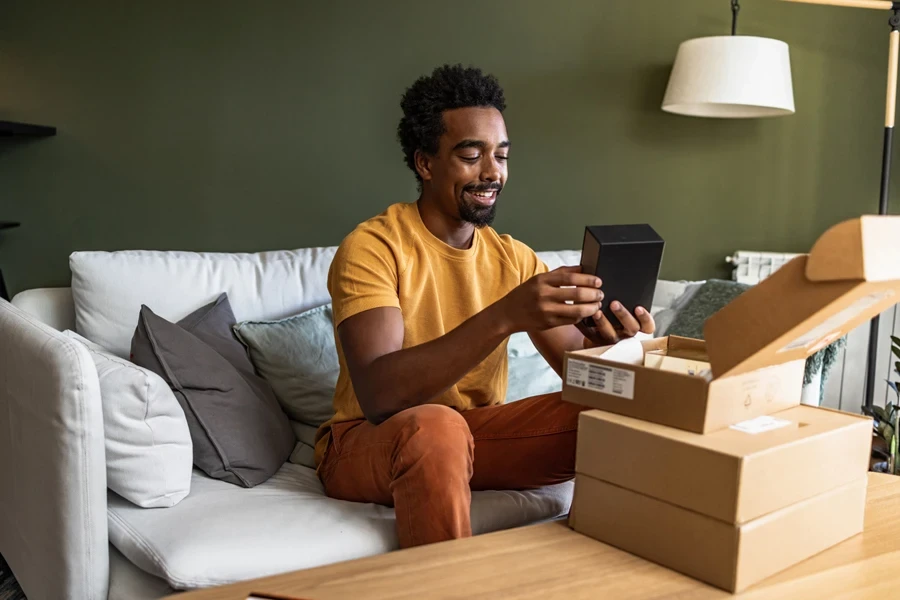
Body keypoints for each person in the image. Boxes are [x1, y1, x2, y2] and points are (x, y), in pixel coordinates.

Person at [313, 64, 655, 549]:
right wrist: (503, 316)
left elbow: (582, 381)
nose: (492, 172)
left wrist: (615, 348)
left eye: (501, 155)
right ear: (425, 164)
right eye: (471, 155)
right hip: (366, 442)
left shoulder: (513, 258)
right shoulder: (374, 246)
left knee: (622, 417)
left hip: (471, 438)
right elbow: (380, 396)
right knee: (437, 426)